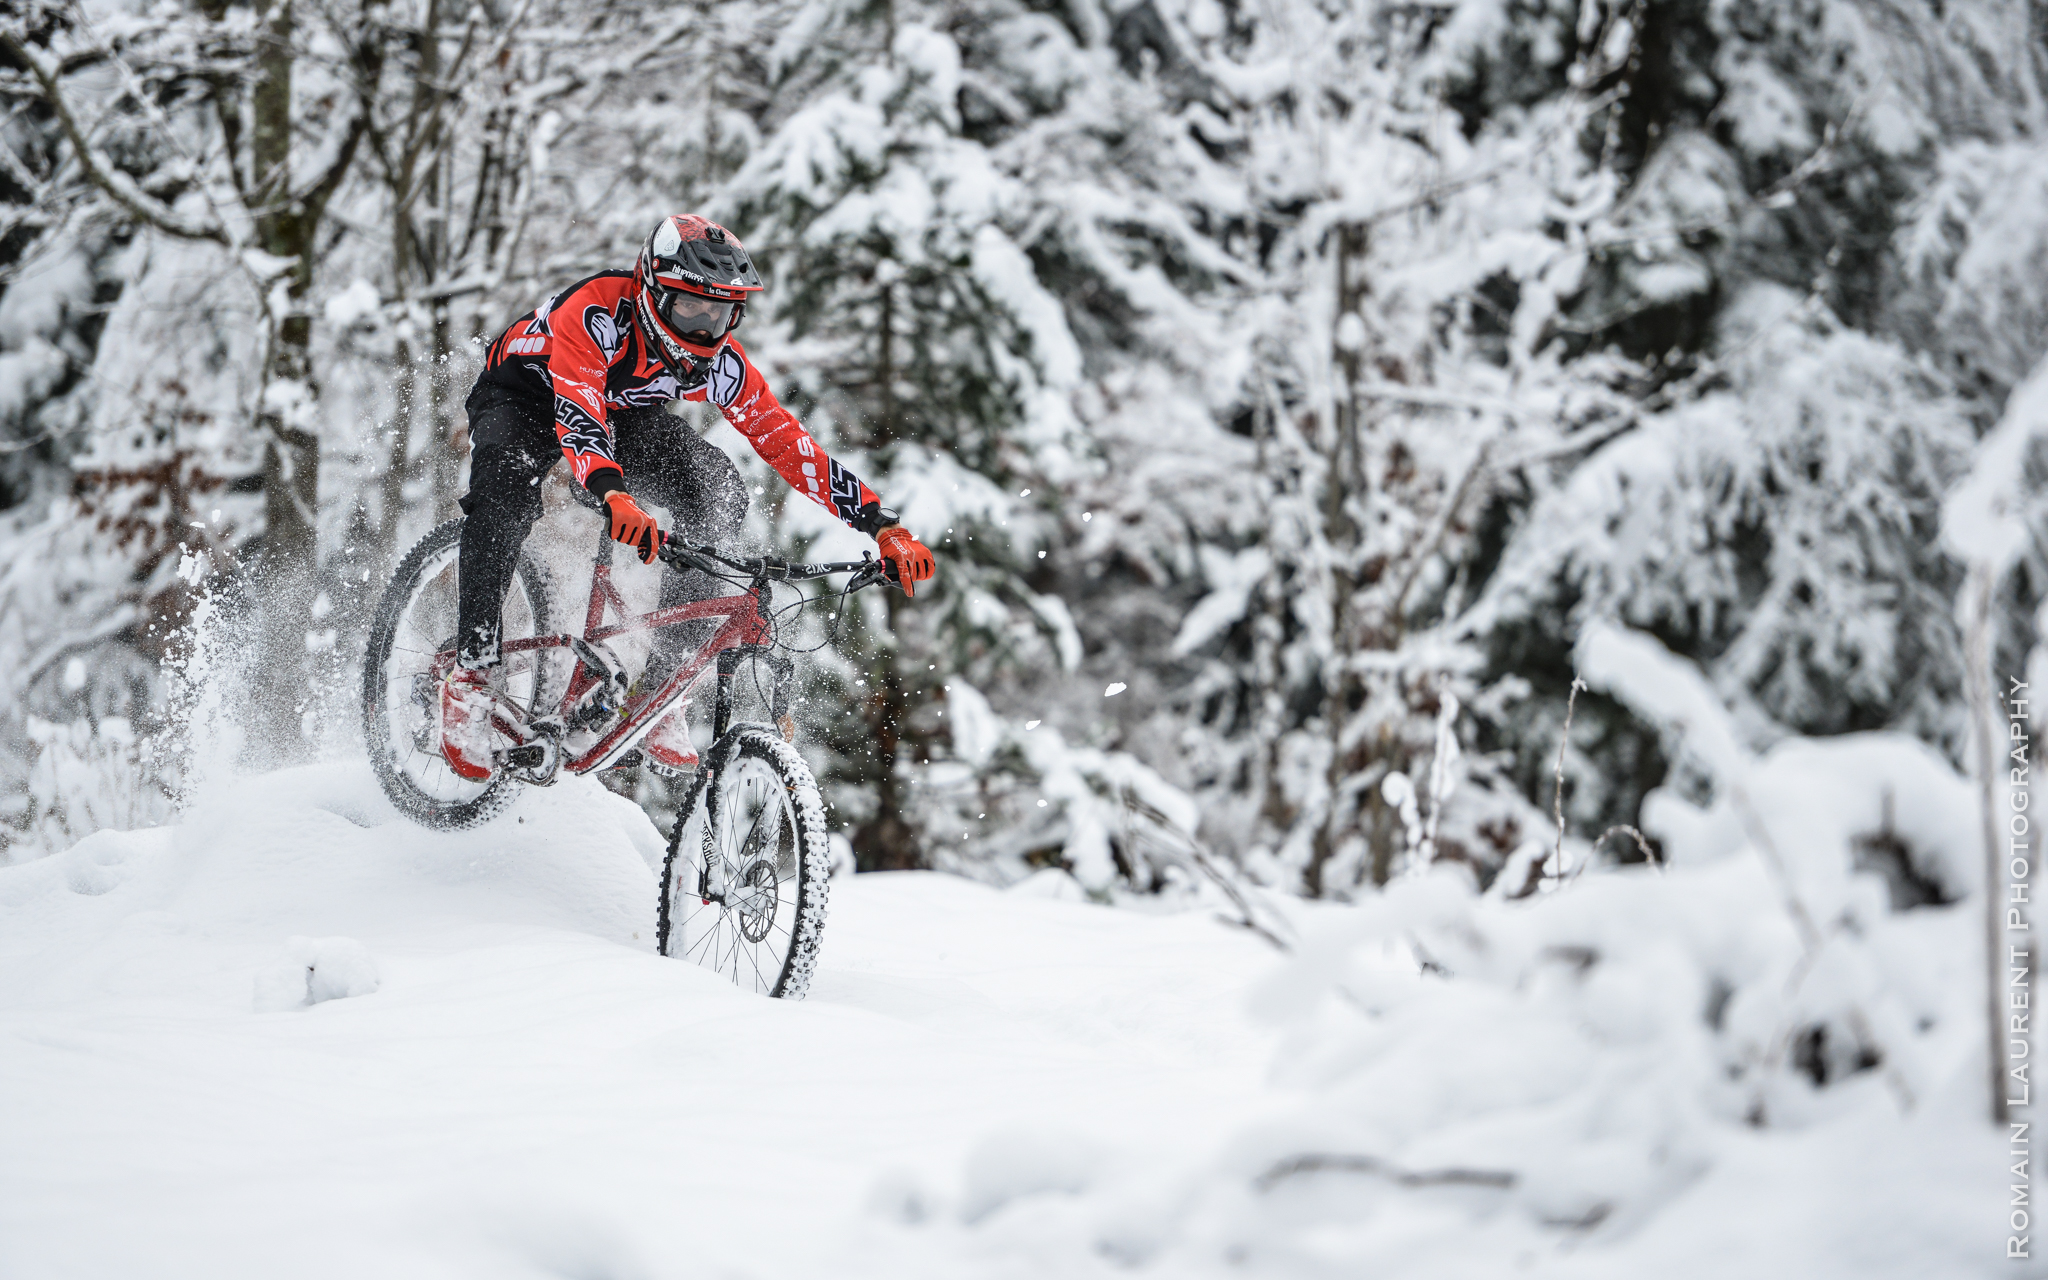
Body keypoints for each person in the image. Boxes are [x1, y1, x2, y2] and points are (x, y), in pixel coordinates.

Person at [439, 214, 936, 781]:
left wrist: (879, 523)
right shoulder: (597, 312)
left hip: (620, 414)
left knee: (715, 488)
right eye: (690, 309)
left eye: (720, 313)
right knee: (505, 501)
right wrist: (613, 494)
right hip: (524, 398)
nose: (703, 329)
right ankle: (471, 676)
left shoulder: (719, 360)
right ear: (652, 289)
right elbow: (577, 413)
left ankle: (659, 688)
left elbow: (788, 444)